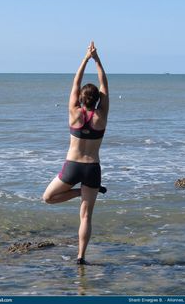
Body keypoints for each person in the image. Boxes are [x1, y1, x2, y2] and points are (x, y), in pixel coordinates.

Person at [43, 41, 109, 265]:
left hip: (72, 166)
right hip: (92, 169)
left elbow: (75, 82)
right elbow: (104, 85)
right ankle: (81, 257)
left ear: (81, 99)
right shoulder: (102, 115)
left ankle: (78, 192)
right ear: (98, 100)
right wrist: (97, 60)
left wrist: (85, 59)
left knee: (48, 198)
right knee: (86, 216)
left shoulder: (74, 113)